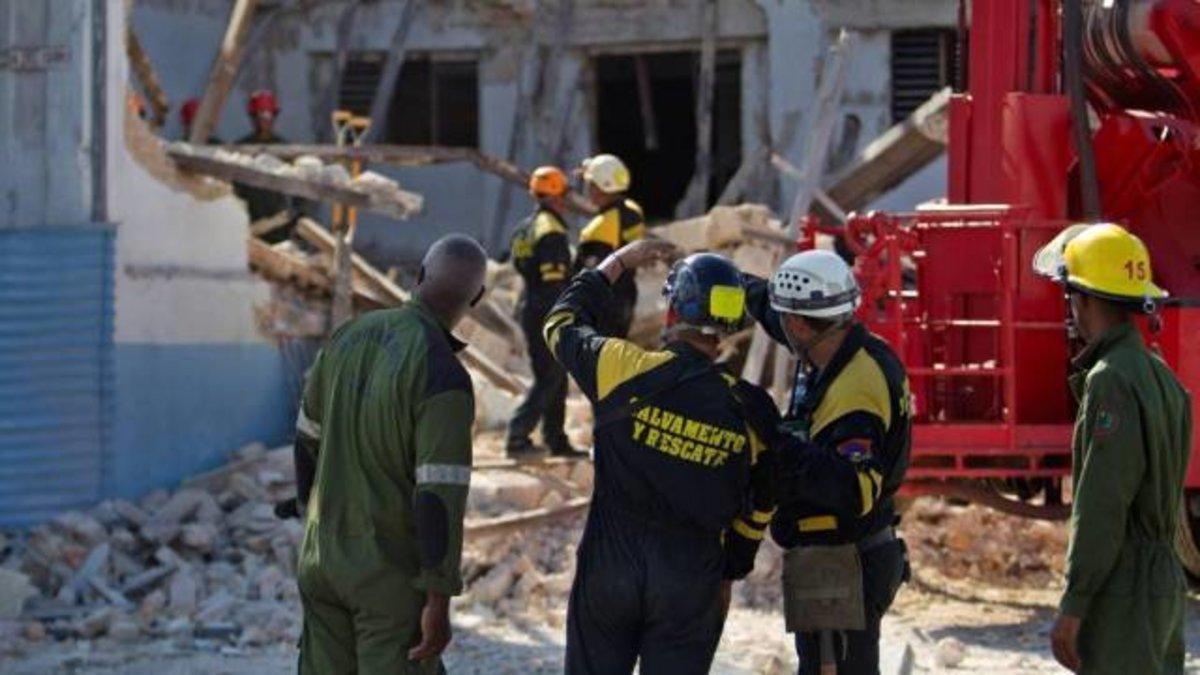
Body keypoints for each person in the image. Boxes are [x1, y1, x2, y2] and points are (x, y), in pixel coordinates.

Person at [545, 238, 778, 674]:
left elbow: (560, 323)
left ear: (672, 311)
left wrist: (617, 263)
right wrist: (731, 569)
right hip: (691, 579)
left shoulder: (619, 367)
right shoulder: (751, 410)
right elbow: (762, 500)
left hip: (609, 566)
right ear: (729, 325)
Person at [292, 234, 488, 674]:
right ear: (477, 298)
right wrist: (438, 599)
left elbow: (306, 440)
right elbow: (438, 494)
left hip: (320, 561)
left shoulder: (347, 338)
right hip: (386, 577)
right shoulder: (443, 374)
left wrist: (310, 520)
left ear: (418, 275)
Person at [740, 249, 911, 675]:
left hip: (844, 567)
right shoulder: (837, 345)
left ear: (799, 323)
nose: (781, 324)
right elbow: (772, 307)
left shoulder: (854, 391)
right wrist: (731, 280)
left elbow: (856, 489)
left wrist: (774, 437)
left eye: (785, 319)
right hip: (835, 559)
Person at [1033, 223, 1191, 674]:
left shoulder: (1110, 380)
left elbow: (1103, 504)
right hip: (1163, 580)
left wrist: (1075, 602)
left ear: (1083, 298)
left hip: (1124, 587)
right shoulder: (1158, 373)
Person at [504, 166, 586, 459]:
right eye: (563, 195)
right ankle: (517, 436)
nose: (566, 201)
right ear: (556, 198)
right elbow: (554, 282)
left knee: (556, 375)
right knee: (550, 376)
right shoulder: (551, 232)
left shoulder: (525, 228)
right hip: (546, 309)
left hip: (531, 304)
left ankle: (556, 440)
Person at [572, 154, 645, 337]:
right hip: (627, 296)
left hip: (603, 308)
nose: (586, 188)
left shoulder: (599, 227)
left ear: (599, 188)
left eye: (589, 183)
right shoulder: (634, 212)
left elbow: (585, 276)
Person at [234, 90, 291, 237]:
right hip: (248, 220)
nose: (264, 120)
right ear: (252, 117)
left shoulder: (284, 149)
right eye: (260, 115)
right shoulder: (241, 148)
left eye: (267, 115)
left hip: (278, 221)